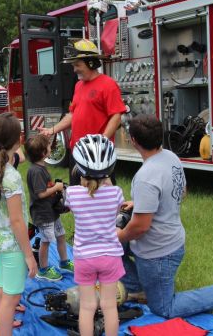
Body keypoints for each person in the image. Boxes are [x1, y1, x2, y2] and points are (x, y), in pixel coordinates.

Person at [117, 114, 213, 318]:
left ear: (134, 141)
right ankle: (142, 288)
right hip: (173, 242)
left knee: (164, 308)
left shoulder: (145, 177)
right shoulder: (170, 157)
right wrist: (142, 203)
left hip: (158, 254)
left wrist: (117, 236)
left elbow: (140, 227)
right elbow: (181, 191)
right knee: (113, 246)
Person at [39, 39, 127, 185]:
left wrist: (101, 143)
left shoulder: (108, 84)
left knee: (102, 195)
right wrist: (52, 130)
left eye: (77, 65)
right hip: (77, 152)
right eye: (73, 65)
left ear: (91, 63)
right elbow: (72, 115)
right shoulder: (79, 85)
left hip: (97, 156)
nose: (74, 70)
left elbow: (116, 116)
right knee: (77, 194)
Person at [0, 113, 38, 335]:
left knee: (3, 291)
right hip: (13, 246)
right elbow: (16, 220)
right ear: (18, 140)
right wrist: (28, 255)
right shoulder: (11, 176)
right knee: (11, 298)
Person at [64, 134, 125, 336]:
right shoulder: (116, 192)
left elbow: (71, 205)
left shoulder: (72, 194)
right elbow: (116, 212)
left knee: (87, 307)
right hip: (110, 256)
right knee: (109, 306)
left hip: (84, 258)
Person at [24, 134, 74, 281]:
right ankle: (43, 270)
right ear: (43, 152)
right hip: (43, 214)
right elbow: (40, 194)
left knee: (61, 235)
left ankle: (64, 262)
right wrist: (56, 187)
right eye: (48, 146)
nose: (50, 147)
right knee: (45, 242)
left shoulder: (41, 167)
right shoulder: (36, 171)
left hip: (51, 211)